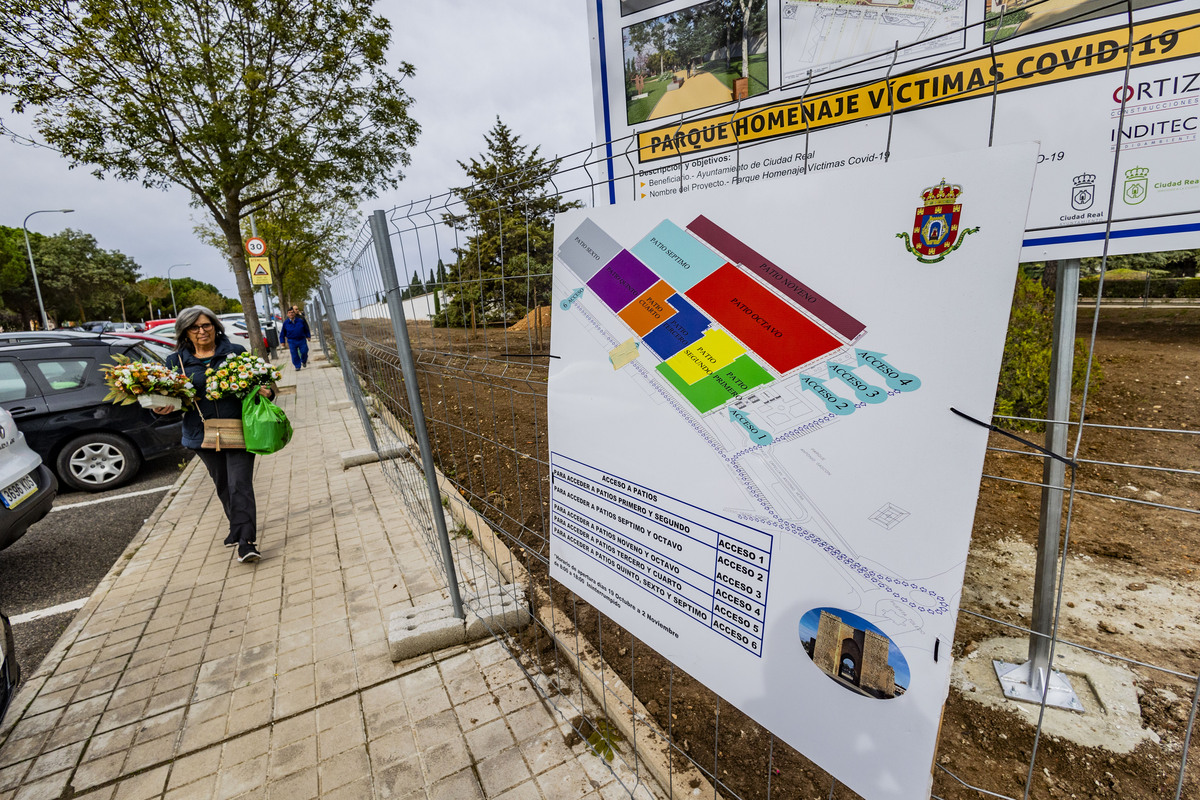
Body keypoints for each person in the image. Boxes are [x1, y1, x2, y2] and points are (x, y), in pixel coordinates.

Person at [153, 306, 273, 563]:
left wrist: (267, 392)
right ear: (185, 332)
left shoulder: (235, 353)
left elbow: (262, 384)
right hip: (201, 433)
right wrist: (162, 408)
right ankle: (236, 526)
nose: (201, 331)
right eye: (194, 327)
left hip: (238, 429)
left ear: (216, 326)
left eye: (206, 325)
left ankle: (246, 541)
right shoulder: (176, 362)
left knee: (239, 483)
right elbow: (173, 400)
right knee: (223, 484)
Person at [279, 305, 311, 370]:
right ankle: (297, 366)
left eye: (292, 312)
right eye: (289, 313)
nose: (291, 314)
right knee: (294, 354)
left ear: (294, 313)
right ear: (287, 314)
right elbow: (282, 333)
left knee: (304, 351)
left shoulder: (300, 320)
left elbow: (306, 329)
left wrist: (308, 336)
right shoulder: (286, 323)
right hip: (292, 341)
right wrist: (282, 341)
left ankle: (304, 361)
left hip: (301, 339)